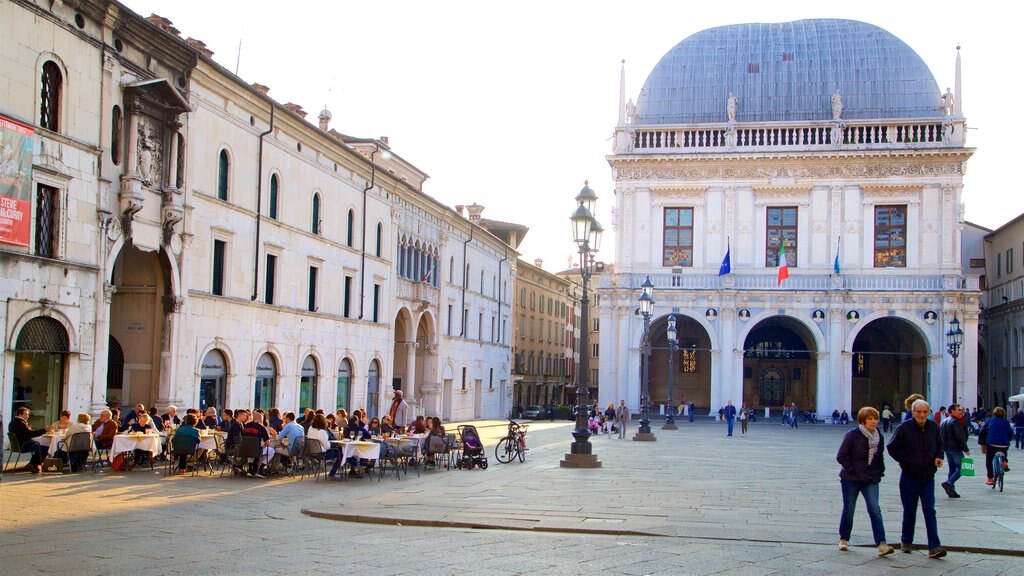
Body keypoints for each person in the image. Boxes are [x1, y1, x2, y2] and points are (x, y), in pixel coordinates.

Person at [886, 399, 946, 559]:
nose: (922, 415)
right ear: (913, 412)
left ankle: (934, 546)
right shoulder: (904, 428)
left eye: (925, 412)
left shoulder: (933, 427)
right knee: (910, 510)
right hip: (909, 476)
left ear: (929, 412)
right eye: (918, 412)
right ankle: (906, 541)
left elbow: (940, 445)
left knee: (929, 510)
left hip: (928, 476)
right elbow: (892, 448)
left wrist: (939, 457)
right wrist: (905, 461)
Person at [836, 407, 895, 557]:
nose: (874, 421)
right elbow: (841, 456)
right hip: (852, 479)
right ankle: (844, 539)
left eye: (875, 418)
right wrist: (853, 470)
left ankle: (881, 543)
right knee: (849, 510)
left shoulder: (878, 436)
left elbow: (879, 457)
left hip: (870, 478)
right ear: (863, 420)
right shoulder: (853, 435)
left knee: (875, 509)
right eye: (870, 418)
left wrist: (879, 472)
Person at [939, 404, 970, 498]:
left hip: (947, 448)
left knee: (952, 468)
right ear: (952, 411)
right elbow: (960, 436)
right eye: (958, 410)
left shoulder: (945, 421)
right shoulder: (955, 421)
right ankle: (949, 483)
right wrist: (966, 449)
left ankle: (951, 490)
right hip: (955, 448)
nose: (961, 411)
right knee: (962, 468)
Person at [979, 407, 1013, 486]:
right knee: (1004, 452)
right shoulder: (1006, 422)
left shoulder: (990, 420)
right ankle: (1004, 462)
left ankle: (990, 478)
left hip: (991, 443)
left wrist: (982, 442)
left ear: (994, 413)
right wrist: (1008, 439)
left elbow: (982, 431)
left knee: (989, 460)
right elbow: (1010, 433)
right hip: (1004, 443)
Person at [8, 406, 49, 472]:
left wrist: (27, 429)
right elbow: (31, 434)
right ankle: (32, 464)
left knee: (39, 445)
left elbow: (24, 433)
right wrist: (44, 430)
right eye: (26, 414)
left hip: (17, 445)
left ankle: (33, 465)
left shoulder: (12, 422)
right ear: (20, 414)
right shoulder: (21, 423)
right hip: (24, 445)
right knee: (46, 448)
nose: (28, 416)